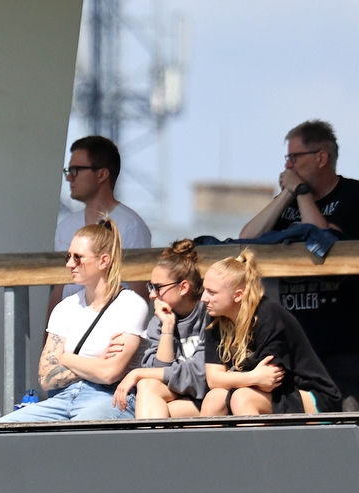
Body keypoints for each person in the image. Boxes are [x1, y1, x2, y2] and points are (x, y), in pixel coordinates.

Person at [239, 120, 359, 410]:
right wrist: (286, 195)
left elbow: (324, 240)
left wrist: (303, 194)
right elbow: (247, 239)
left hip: (342, 341)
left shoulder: (352, 195)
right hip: (297, 341)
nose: (288, 165)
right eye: (287, 158)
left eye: (295, 157)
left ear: (321, 157)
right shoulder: (290, 200)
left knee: (347, 421)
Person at [0, 219, 148, 422]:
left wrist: (65, 358)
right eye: (68, 256)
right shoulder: (65, 307)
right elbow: (45, 377)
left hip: (108, 397)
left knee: (76, 434)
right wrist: (97, 363)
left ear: (104, 261)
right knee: (1, 427)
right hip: (64, 398)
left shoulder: (131, 305)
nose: (70, 264)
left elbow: (110, 373)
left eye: (78, 258)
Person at [200, 250, 340, 416]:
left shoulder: (268, 314)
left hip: (311, 395)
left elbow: (269, 381)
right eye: (204, 290)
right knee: (213, 399)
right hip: (266, 391)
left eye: (212, 292)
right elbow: (214, 380)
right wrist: (253, 377)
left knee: (242, 398)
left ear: (238, 295)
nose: (203, 298)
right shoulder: (216, 318)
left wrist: (246, 379)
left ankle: (259, 443)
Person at [49, 135, 151, 314]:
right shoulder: (66, 227)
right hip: (69, 333)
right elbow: (60, 289)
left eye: (77, 170)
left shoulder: (130, 226)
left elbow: (139, 295)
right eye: (69, 170)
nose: (70, 178)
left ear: (103, 174)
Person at [112, 240, 210, 418]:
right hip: (177, 394)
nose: (151, 295)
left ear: (183, 287)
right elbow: (156, 371)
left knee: (153, 404)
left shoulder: (209, 315)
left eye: (157, 287)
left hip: (208, 397)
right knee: (147, 386)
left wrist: (138, 372)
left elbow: (200, 375)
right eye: (150, 287)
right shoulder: (159, 321)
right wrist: (167, 328)